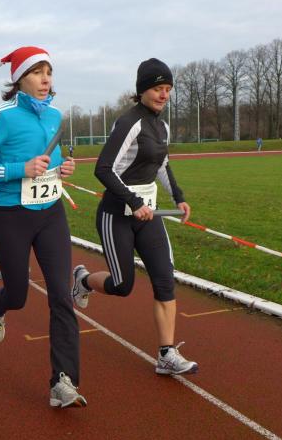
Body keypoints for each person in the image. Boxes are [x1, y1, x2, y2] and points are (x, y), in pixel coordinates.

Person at [0, 46, 85, 408]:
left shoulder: (55, 115)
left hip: (51, 214)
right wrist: (21, 169)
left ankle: (63, 381)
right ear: (19, 79)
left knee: (61, 297)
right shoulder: (1, 116)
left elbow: (51, 162)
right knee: (18, 295)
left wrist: (62, 170)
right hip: (11, 216)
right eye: (37, 72)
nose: (46, 79)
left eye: (49, 72)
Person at [70, 57, 198, 378]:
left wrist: (179, 197)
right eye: (157, 88)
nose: (164, 94)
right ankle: (83, 280)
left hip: (148, 215)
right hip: (117, 215)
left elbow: (162, 165)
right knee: (122, 285)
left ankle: (166, 354)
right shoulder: (130, 123)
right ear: (142, 90)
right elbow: (103, 169)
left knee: (165, 280)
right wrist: (133, 200)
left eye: (168, 88)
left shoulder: (162, 126)